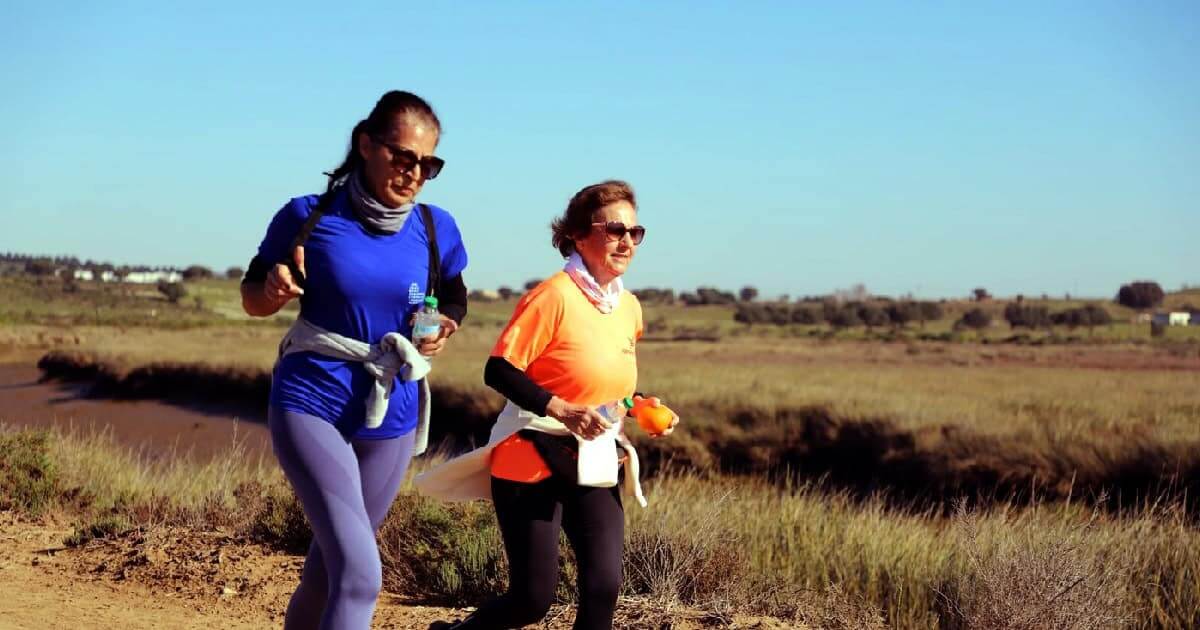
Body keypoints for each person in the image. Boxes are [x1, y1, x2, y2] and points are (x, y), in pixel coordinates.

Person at [240, 90, 469, 630]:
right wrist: (272, 292)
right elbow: (252, 296)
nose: (414, 173)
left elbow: (454, 294)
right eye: (402, 156)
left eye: (428, 164)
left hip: (393, 410)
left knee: (329, 572)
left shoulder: (436, 228)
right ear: (366, 145)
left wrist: (444, 327)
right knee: (361, 574)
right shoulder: (307, 216)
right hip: (311, 399)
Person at [417, 180, 679, 630]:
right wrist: (560, 409)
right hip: (530, 454)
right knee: (531, 599)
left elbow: (602, 381)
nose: (626, 241)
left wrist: (638, 405)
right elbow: (498, 370)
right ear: (578, 234)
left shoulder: (629, 307)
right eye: (615, 229)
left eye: (635, 233)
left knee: (602, 587)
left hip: (595, 457)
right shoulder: (553, 295)